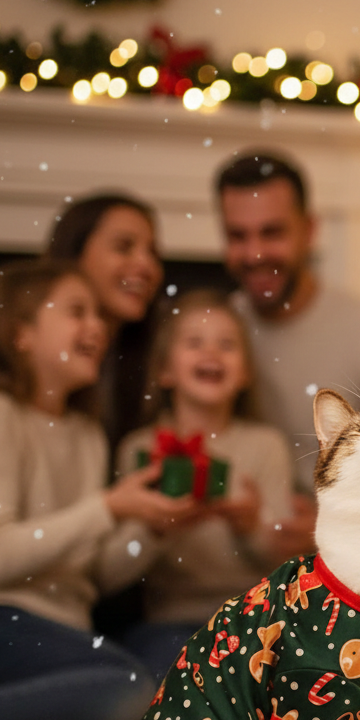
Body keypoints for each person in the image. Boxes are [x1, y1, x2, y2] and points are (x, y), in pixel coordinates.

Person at [0, 260, 196, 720]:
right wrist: (109, 507)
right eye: (76, 312)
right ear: (20, 335)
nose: (97, 326)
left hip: (64, 629)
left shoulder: (87, 434)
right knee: (130, 690)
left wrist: (149, 529)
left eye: (97, 316)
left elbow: (94, 572)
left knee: (173, 678)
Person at [216, 152, 360, 559]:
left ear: (309, 231)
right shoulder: (213, 339)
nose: (254, 254)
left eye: (271, 233)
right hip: (240, 569)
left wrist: (335, 529)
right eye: (238, 236)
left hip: (352, 559)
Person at [115, 290, 294, 679]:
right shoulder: (142, 450)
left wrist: (250, 528)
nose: (210, 352)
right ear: (165, 370)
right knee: (163, 673)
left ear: (245, 372)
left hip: (254, 619)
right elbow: (113, 570)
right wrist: (154, 530)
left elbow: (282, 561)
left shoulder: (265, 446)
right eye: (194, 342)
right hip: (171, 624)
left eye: (227, 344)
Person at [47, 193, 165, 450]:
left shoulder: (154, 357)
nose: (146, 266)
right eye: (124, 247)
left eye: (153, 253)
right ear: (75, 256)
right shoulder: (42, 361)